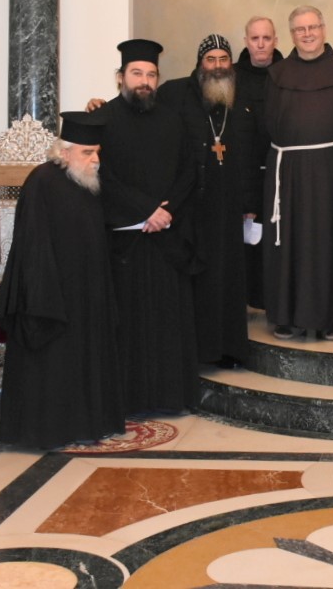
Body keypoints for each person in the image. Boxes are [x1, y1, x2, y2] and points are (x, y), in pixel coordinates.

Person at [0, 111, 125, 448]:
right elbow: (33, 245)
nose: (96, 159)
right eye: (87, 152)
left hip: (87, 291)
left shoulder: (88, 182)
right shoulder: (42, 181)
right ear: (64, 152)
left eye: (97, 151)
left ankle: (85, 423)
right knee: (52, 365)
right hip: (50, 294)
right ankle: (49, 430)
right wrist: (45, 294)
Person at [97, 38, 200, 413]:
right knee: (128, 326)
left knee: (166, 325)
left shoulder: (173, 119)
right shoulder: (104, 119)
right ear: (120, 77)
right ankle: (127, 400)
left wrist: (166, 211)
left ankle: (171, 399)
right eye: (136, 73)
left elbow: (189, 170)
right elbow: (101, 176)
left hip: (166, 240)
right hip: (125, 242)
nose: (144, 81)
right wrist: (145, 211)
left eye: (150, 74)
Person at [158, 34, 260, 368]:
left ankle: (227, 349)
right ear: (200, 63)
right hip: (192, 203)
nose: (217, 66)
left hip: (229, 204)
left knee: (229, 277)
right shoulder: (175, 93)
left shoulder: (243, 97)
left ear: (231, 63)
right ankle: (197, 350)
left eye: (223, 59)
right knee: (197, 276)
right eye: (211, 59)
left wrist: (250, 201)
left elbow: (251, 153)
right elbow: (145, 119)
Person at [261, 7, 333, 340]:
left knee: (328, 245)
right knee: (287, 244)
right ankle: (287, 316)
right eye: (299, 29)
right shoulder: (277, 74)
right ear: (291, 35)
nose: (307, 34)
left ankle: (332, 318)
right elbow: (269, 124)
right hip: (286, 173)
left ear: (324, 29)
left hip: (332, 172)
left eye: (312, 27)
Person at [237, 16, 283, 309]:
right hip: (244, 173)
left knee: (279, 241)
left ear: (276, 41)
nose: (261, 44)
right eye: (255, 39)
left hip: (282, 171)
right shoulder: (231, 76)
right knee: (248, 243)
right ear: (246, 41)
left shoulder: (288, 73)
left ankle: (278, 302)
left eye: (267, 38)